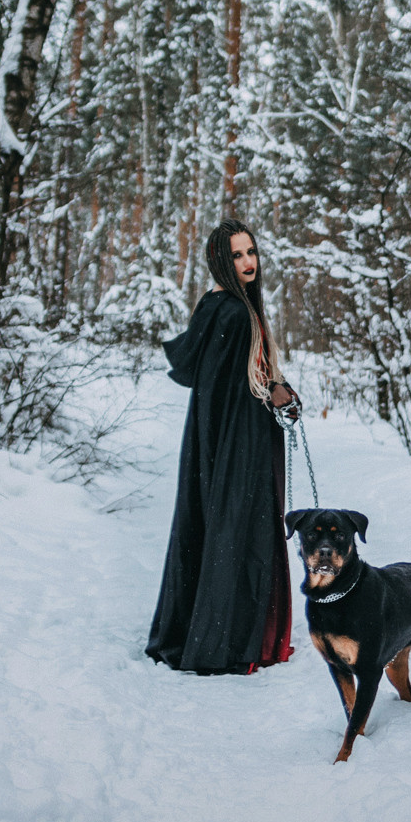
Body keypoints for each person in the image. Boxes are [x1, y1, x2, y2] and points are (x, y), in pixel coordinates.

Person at [146, 220, 300, 675]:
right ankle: (228, 642)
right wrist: (269, 394)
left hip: (234, 439)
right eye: (236, 255)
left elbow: (235, 381)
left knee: (229, 529)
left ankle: (225, 635)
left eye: (251, 251)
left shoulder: (229, 306)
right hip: (236, 443)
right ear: (220, 260)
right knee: (237, 530)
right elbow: (225, 390)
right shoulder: (230, 311)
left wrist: (275, 390)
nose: (248, 262)